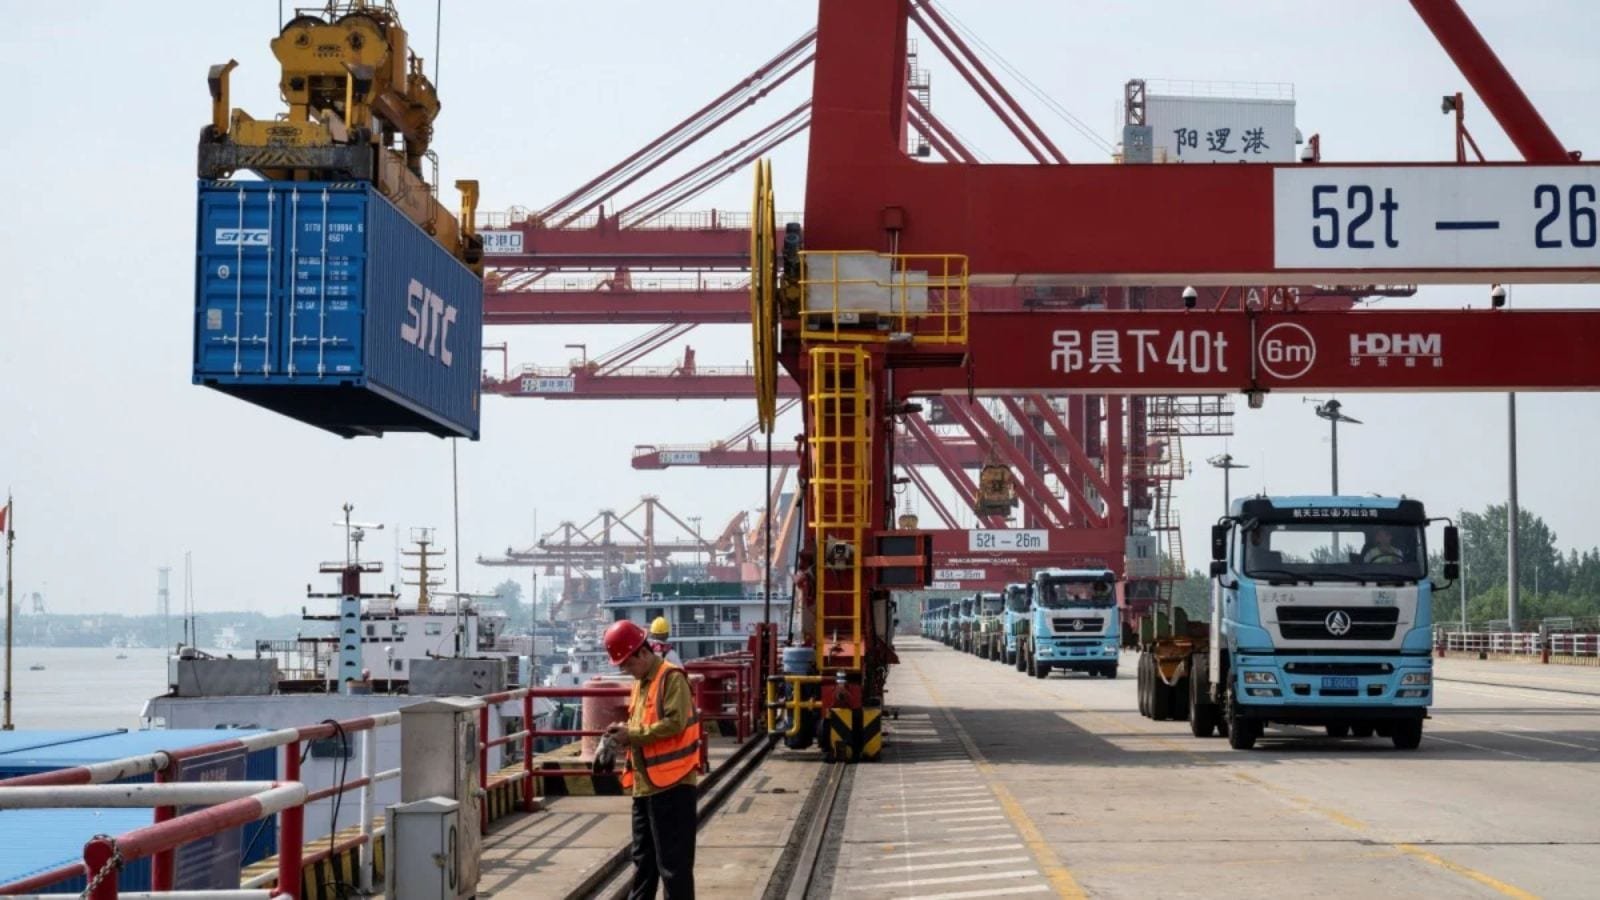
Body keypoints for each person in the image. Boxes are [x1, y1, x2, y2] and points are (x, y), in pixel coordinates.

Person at [603, 620, 701, 899]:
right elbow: (641, 723)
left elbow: (675, 724)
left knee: (673, 867)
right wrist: (617, 735)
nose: (626, 670)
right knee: (643, 862)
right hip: (646, 785)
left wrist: (631, 734)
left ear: (643, 653)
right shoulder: (641, 683)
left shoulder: (671, 678)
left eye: (628, 664)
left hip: (673, 785)